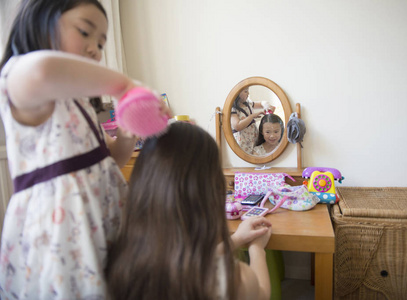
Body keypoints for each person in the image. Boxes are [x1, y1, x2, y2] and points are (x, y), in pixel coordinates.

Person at [0, 0, 169, 298]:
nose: (95, 49)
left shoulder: (79, 103)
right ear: (40, 20)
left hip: (100, 220)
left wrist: (127, 138)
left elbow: (109, 159)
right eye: (84, 32)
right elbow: (42, 70)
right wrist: (125, 84)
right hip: (61, 232)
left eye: (102, 43)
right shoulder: (20, 78)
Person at [106, 122, 273, 300]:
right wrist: (257, 249)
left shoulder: (121, 266)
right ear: (211, 191)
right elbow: (261, 293)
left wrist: (237, 238)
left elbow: (184, 263)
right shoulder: (235, 279)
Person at [230, 87, 274, 155]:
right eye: (245, 91)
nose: (248, 93)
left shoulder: (248, 103)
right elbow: (237, 126)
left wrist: (266, 105)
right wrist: (252, 116)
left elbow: (261, 103)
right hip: (242, 141)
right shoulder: (233, 109)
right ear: (237, 93)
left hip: (253, 138)